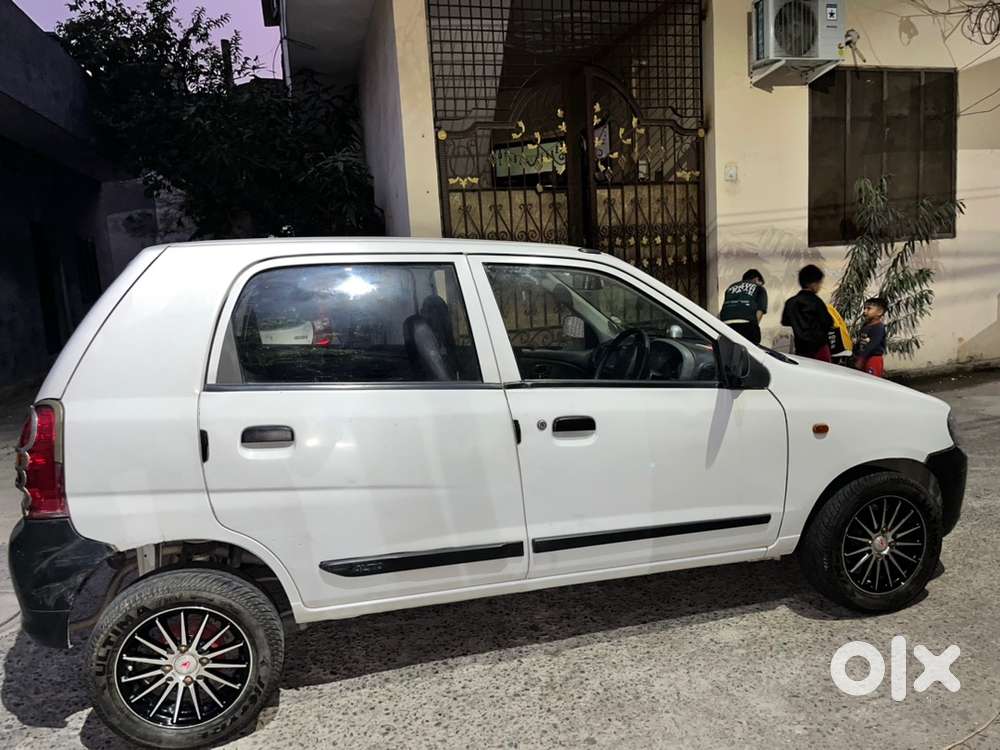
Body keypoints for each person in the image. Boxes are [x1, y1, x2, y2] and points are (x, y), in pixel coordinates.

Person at [781, 264, 834, 361]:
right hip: (819, 348)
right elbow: (828, 322)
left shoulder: (790, 302)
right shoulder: (816, 301)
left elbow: (785, 321)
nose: (820, 286)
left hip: (801, 349)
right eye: (819, 283)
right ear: (813, 284)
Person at [719, 269, 768, 345]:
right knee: (750, 353)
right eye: (761, 283)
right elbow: (760, 310)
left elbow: (726, 307)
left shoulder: (731, 287)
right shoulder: (759, 288)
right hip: (746, 325)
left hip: (726, 325)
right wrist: (755, 327)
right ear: (756, 279)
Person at [853, 296, 888, 376]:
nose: (865, 311)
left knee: (872, 380)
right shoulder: (865, 325)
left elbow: (873, 344)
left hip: (873, 359)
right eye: (864, 308)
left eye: (869, 309)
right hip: (863, 357)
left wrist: (861, 358)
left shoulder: (878, 327)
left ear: (879, 312)